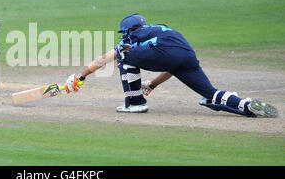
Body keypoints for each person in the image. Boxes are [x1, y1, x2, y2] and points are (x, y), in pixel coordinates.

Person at [64, 13, 279, 118]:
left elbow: (105, 58)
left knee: (122, 55)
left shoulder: (135, 35)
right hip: (187, 54)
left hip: (165, 53)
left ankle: (135, 102)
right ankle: (245, 105)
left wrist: (80, 77)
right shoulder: (161, 29)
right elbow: (173, 64)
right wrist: (153, 84)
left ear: (129, 29)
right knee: (210, 94)